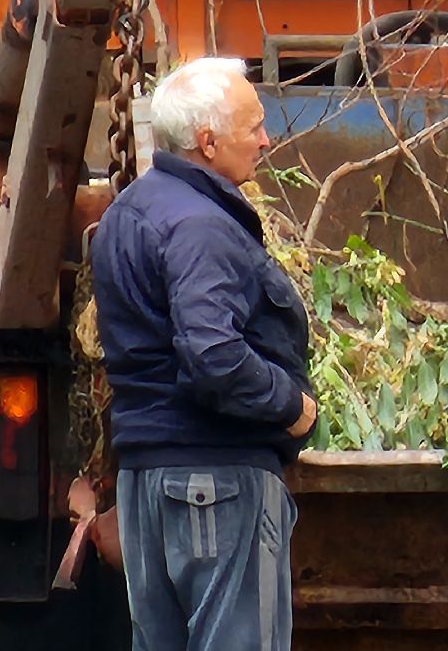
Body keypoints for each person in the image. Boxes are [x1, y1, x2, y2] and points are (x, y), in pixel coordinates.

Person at [92, 56, 316, 651]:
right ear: (208, 142)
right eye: (254, 127)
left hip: (146, 484)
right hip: (217, 483)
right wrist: (292, 406)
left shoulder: (129, 212)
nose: (266, 140)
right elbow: (214, 355)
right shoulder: (201, 226)